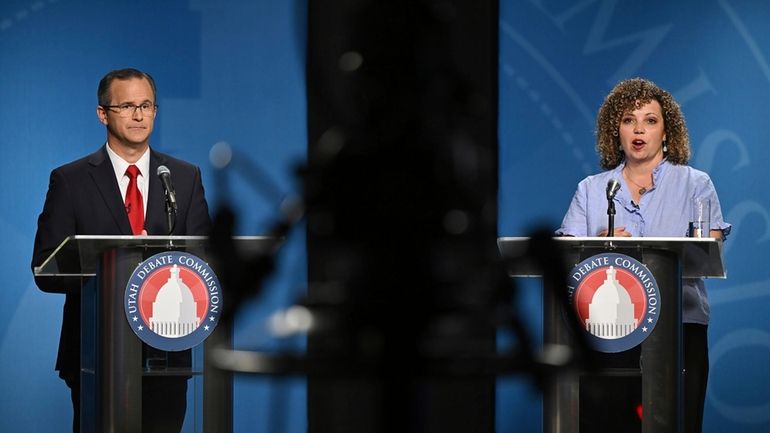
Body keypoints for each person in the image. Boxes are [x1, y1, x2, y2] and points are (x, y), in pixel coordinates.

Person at [31, 68, 212, 433]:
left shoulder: (183, 176)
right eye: (127, 105)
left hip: (167, 354)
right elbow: (45, 269)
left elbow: (204, 260)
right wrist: (117, 268)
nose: (139, 115)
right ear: (103, 114)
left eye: (146, 105)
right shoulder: (70, 180)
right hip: (94, 353)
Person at [556, 77, 731, 433]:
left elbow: (710, 251)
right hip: (608, 332)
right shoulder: (591, 190)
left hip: (679, 328)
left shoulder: (696, 184)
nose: (639, 129)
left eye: (650, 120)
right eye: (628, 120)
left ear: (667, 132)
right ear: (614, 131)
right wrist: (595, 244)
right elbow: (564, 257)